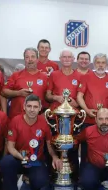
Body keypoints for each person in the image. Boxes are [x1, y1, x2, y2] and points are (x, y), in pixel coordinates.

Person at [0, 95, 62, 190]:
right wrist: (21, 157)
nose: (32, 110)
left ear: (40, 108)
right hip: (18, 159)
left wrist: (55, 157)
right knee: (6, 162)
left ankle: (33, 183)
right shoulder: (15, 121)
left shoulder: (44, 123)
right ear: (24, 107)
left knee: (40, 182)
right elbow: (10, 146)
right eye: (29, 106)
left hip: (36, 161)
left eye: (35, 107)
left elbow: (49, 145)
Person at [77, 53, 108, 190]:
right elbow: (79, 96)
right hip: (88, 120)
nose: (100, 65)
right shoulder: (86, 77)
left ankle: (104, 178)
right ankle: (83, 179)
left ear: (107, 65)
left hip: (105, 123)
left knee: (106, 151)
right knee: (86, 152)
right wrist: (87, 110)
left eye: (103, 62)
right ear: (94, 64)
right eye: (98, 62)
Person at [46, 49, 81, 178]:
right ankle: (54, 176)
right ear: (60, 59)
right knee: (54, 146)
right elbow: (47, 95)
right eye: (64, 57)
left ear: (73, 59)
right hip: (55, 118)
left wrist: (74, 102)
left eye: (69, 57)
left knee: (73, 149)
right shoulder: (54, 74)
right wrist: (56, 98)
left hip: (73, 119)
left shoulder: (79, 76)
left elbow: (81, 99)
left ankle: (73, 178)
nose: (66, 59)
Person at [2, 47, 48, 119]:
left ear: (37, 59)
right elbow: (4, 92)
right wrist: (19, 93)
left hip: (37, 119)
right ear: (24, 59)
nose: (30, 59)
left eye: (33, 56)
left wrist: (45, 113)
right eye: (27, 57)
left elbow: (49, 97)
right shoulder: (16, 75)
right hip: (16, 118)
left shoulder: (45, 77)